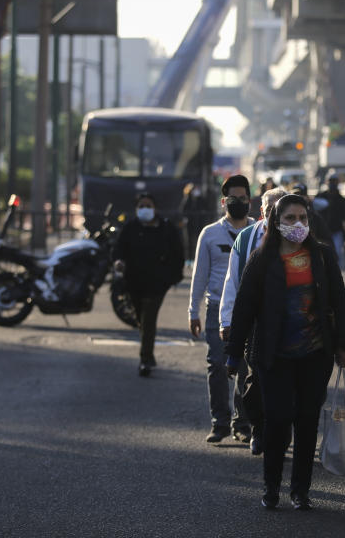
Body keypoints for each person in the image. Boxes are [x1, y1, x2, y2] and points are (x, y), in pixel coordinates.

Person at [225, 194, 345, 511]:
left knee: (307, 421)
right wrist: (233, 352)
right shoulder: (262, 259)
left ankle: (300, 490)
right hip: (274, 355)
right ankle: (271, 487)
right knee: (278, 421)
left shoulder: (322, 256)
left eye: (303, 218)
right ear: (276, 222)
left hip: (315, 354)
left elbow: (338, 300)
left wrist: (342, 344)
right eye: (291, 218)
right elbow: (244, 308)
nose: (298, 224)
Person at [218, 186, 288, 455]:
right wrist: (228, 322)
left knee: (287, 382)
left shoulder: (298, 237)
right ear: (262, 211)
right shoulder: (247, 239)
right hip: (256, 325)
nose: (274, 214)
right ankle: (257, 428)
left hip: (291, 325)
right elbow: (233, 283)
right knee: (255, 380)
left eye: (280, 210)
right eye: (270, 209)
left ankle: (282, 431)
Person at [188, 174, 255, 443]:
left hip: (249, 311)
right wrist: (193, 312)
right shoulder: (210, 234)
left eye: (242, 198)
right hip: (216, 308)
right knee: (217, 365)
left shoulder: (257, 233)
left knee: (246, 368)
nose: (237, 202)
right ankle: (220, 422)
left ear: (249, 201)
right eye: (232, 198)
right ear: (223, 201)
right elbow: (199, 275)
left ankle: (243, 422)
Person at [112, 193, 185, 377]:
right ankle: (147, 352)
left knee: (148, 319)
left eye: (148, 205)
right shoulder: (130, 227)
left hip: (158, 283)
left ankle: (145, 358)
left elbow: (178, 254)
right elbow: (119, 249)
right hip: (134, 282)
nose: (145, 208)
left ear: (155, 208)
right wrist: (119, 262)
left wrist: (172, 276)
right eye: (141, 205)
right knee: (141, 318)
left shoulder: (166, 228)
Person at [315, 173, 345, 267]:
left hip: (336, 231)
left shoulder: (341, 199)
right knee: (321, 256)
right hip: (322, 232)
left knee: (336, 254)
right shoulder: (320, 196)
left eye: (335, 181)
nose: (333, 183)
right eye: (331, 181)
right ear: (327, 182)